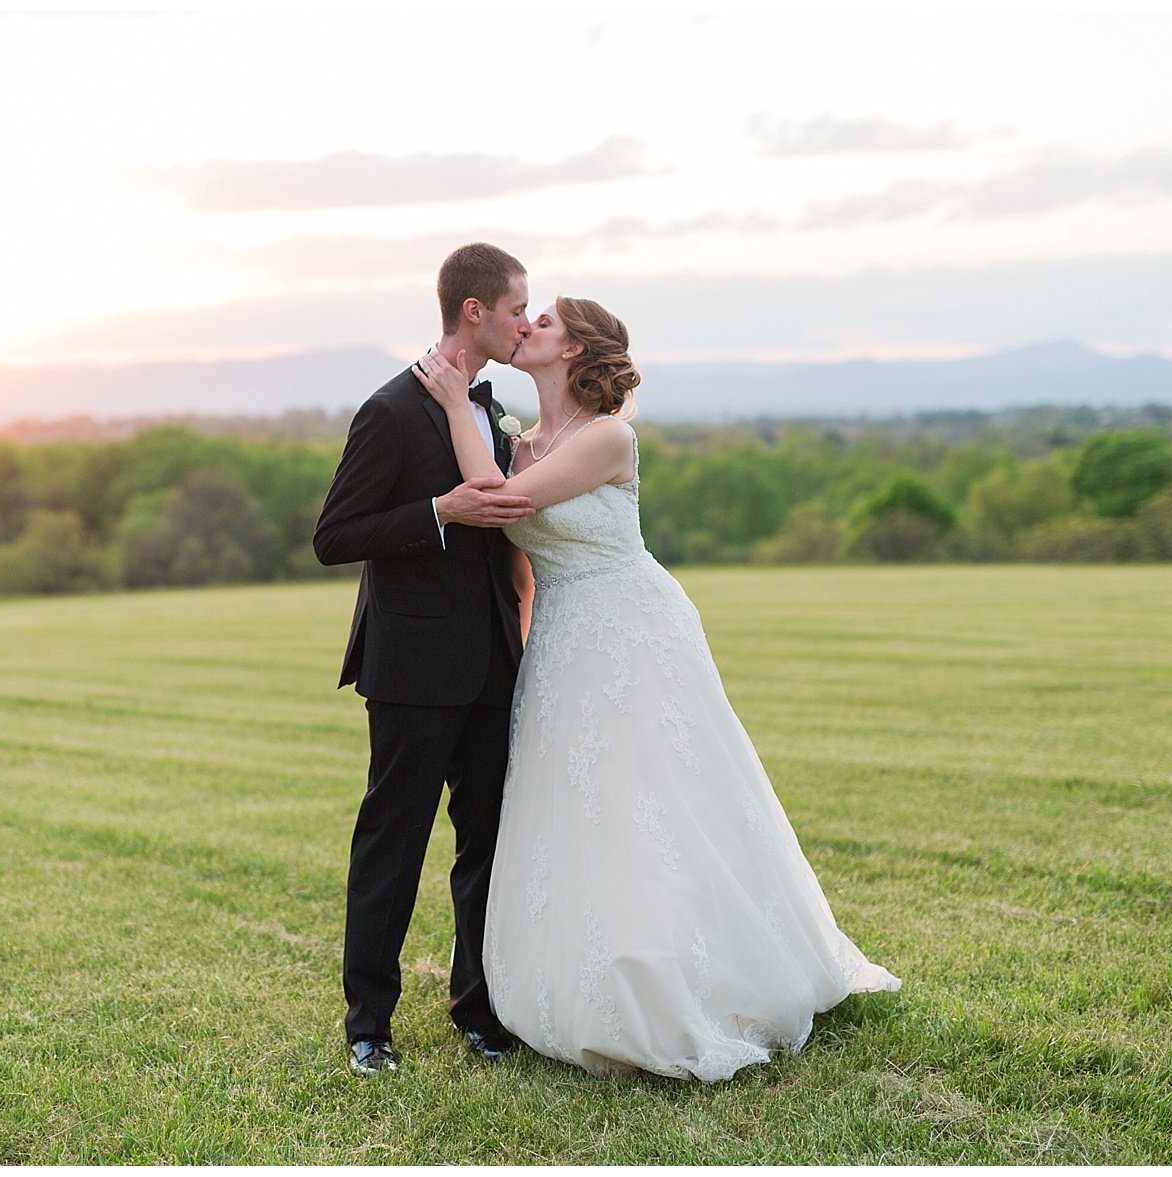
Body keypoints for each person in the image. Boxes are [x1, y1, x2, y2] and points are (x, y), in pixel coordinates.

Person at [411, 296, 900, 1081]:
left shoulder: (608, 436)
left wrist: (448, 405)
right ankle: (589, 971)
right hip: (564, 641)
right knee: (578, 806)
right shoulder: (523, 442)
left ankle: (682, 976)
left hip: (633, 629)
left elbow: (500, 505)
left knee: (653, 796)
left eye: (544, 322)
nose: (526, 326)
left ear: (575, 351)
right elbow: (520, 561)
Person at [312, 243, 535, 1077]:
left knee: (488, 842)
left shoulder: (495, 407)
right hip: (411, 668)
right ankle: (369, 1024)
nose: (526, 321)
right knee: (392, 845)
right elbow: (333, 536)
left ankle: (476, 1009)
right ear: (473, 311)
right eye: (517, 307)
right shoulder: (389, 410)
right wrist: (441, 508)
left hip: (493, 660)